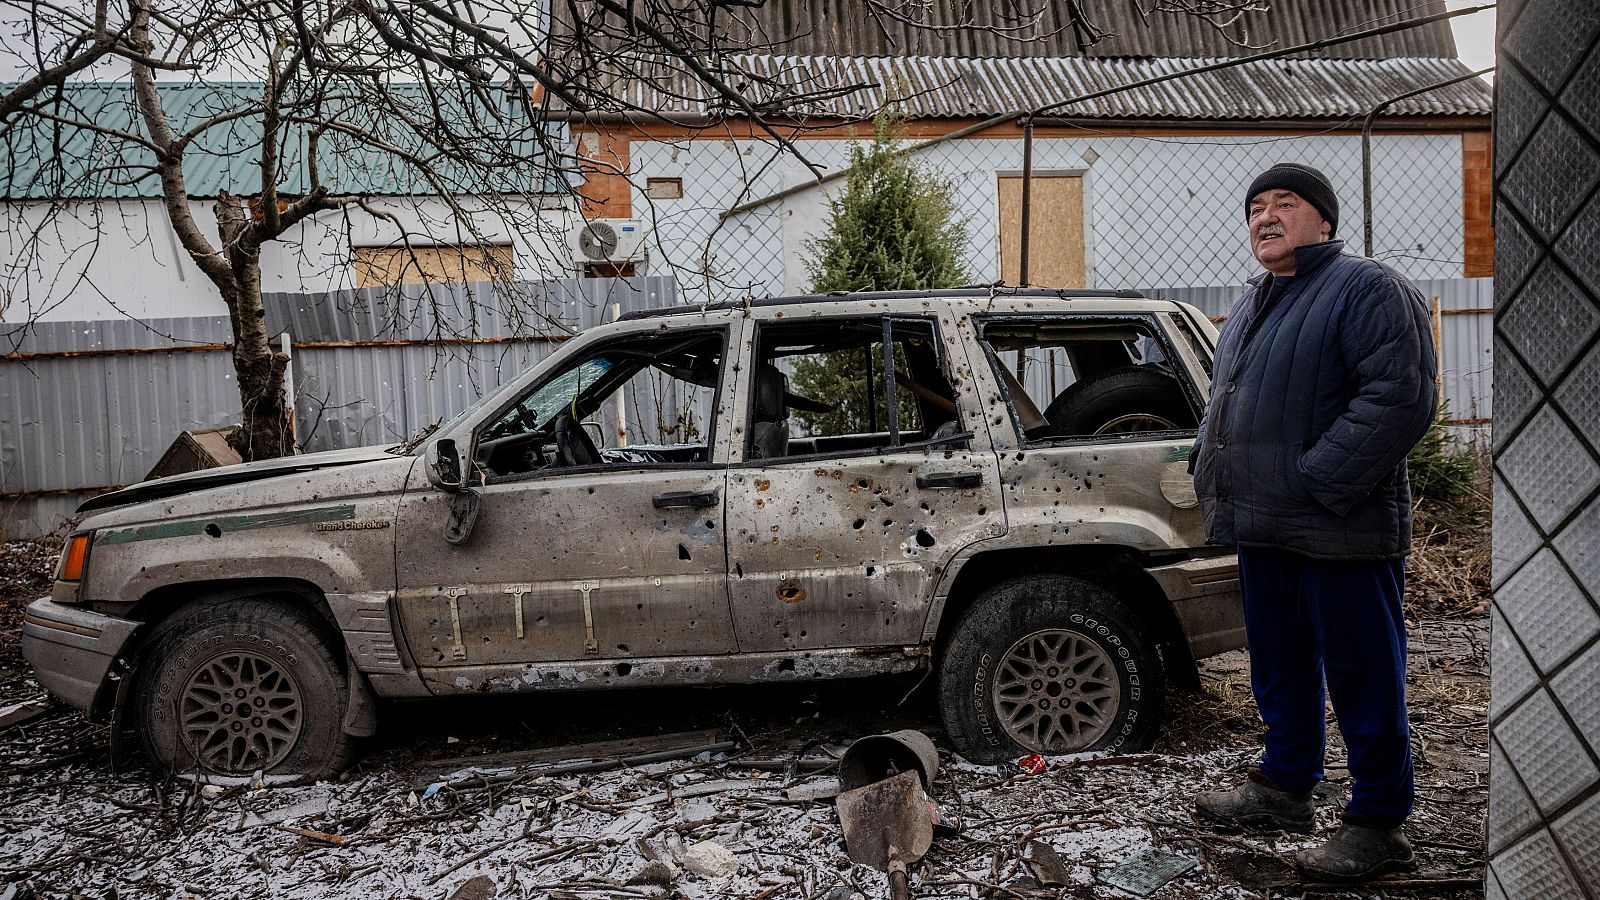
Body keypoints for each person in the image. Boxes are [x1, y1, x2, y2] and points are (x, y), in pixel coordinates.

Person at [1189, 162, 1438, 881]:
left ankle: (1379, 823)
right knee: (1280, 668)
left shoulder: (1368, 288)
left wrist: (1317, 482)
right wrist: (1212, 465)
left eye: (1285, 203)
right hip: (1263, 525)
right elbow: (1231, 402)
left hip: (1338, 528)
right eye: (1255, 208)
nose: (1265, 216)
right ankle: (1285, 785)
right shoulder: (1254, 300)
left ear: (1323, 221)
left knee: (1363, 674)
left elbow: (1400, 398)